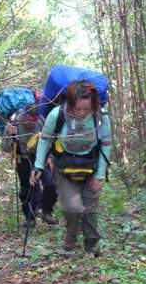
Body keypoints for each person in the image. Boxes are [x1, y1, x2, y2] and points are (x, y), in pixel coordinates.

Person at [33, 80, 112, 255]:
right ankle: (70, 240)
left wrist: (100, 175)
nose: (82, 113)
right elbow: (45, 140)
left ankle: (91, 245)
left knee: (90, 209)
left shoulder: (101, 118)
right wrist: (38, 166)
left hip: (91, 167)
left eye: (86, 109)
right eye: (77, 108)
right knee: (72, 208)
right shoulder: (57, 114)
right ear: (69, 103)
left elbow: (106, 146)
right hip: (64, 168)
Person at [3, 100, 58, 227]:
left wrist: (50, 156)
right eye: (29, 119)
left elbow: (49, 140)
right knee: (28, 189)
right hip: (23, 159)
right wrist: (9, 136)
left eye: (34, 120)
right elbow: (4, 147)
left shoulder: (40, 122)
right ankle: (30, 217)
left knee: (51, 182)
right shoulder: (14, 124)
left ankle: (46, 212)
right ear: (24, 115)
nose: (31, 123)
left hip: (40, 157)